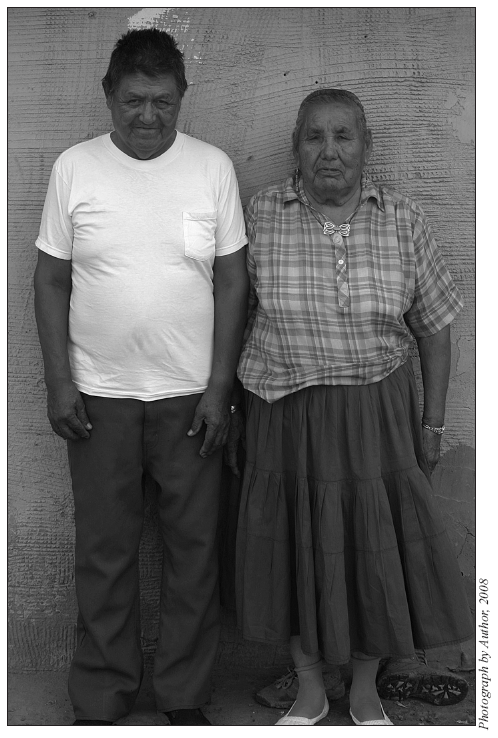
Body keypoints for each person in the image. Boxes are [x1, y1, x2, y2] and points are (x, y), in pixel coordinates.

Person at [235, 88, 473, 726]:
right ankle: (310, 690)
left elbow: (435, 326)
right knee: (294, 546)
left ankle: (365, 691)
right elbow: (232, 318)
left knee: (372, 545)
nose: (329, 152)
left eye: (344, 136)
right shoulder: (262, 215)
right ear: (296, 149)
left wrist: (434, 423)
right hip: (283, 410)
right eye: (314, 137)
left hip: (375, 413)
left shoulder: (400, 218)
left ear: (367, 146)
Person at [34, 28, 248, 726]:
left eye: (162, 101)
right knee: (104, 554)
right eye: (133, 101)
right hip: (100, 398)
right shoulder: (75, 168)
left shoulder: (211, 168)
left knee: (194, 554)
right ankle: (102, 697)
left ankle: (185, 696)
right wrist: (59, 383)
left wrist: (221, 388)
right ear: (108, 97)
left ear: (182, 98)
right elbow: (50, 280)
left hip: (191, 398)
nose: (148, 116)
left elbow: (231, 281)